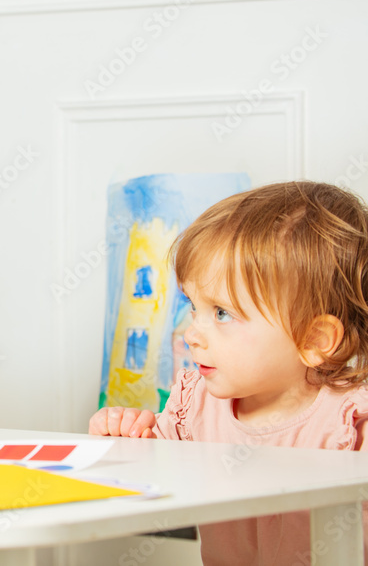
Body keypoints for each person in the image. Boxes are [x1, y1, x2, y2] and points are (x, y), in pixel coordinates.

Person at [89, 181, 368, 565]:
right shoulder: (196, 405)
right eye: (193, 306)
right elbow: (147, 474)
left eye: (222, 313)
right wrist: (125, 435)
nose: (192, 334)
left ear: (314, 339)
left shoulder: (350, 425)